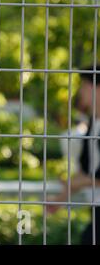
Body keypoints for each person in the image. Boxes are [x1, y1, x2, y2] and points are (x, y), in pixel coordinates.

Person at [49, 67, 100, 244]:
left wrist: (80, 182)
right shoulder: (94, 123)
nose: (81, 91)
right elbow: (88, 170)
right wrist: (59, 200)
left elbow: (91, 177)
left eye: (85, 85)